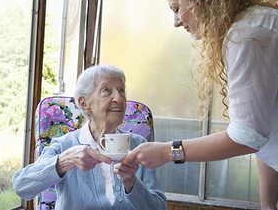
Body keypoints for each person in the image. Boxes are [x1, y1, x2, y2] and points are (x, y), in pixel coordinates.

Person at [123, 0, 278, 208]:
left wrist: (168, 151)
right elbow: (261, 131)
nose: (176, 21)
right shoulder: (254, 25)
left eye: (177, 8)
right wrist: (267, 205)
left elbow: (249, 135)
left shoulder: (248, 35)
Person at [12, 64, 167, 210]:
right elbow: (21, 186)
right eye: (107, 90)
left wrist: (132, 183)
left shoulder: (138, 145)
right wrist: (65, 161)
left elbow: (159, 207)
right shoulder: (65, 146)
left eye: (121, 90)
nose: (118, 99)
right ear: (84, 103)